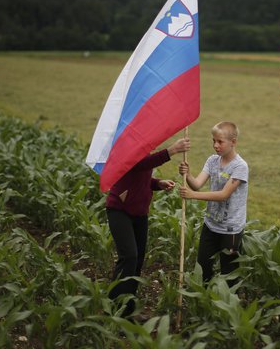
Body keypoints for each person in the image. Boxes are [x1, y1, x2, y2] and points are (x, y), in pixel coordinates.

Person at [106, 137, 190, 318]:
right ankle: (113, 308)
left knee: (137, 261)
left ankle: (128, 309)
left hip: (139, 213)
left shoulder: (142, 148)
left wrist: (157, 183)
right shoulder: (125, 147)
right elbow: (139, 164)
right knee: (129, 256)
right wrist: (171, 151)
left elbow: (141, 176)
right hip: (119, 210)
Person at [179, 121, 249, 284]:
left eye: (220, 141)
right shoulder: (212, 161)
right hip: (210, 224)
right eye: (213, 141)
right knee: (203, 268)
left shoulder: (240, 166)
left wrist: (192, 196)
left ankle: (229, 305)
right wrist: (188, 175)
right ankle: (204, 302)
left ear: (233, 142)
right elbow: (196, 184)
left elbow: (224, 195)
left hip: (230, 229)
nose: (215, 145)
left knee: (229, 274)